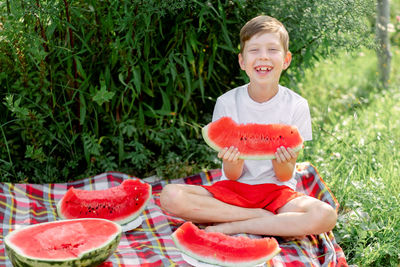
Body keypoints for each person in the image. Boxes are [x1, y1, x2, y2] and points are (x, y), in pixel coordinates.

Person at [160, 15, 337, 237]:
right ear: (242, 61)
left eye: (272, 49)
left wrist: (280, 162)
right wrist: (233, 162)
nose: (263, 56)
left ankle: (236, 224)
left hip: (277, 194)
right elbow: (232, 175)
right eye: (254, 50)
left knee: (325, 215)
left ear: (286, 59)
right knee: (170, 196)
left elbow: (284, 175)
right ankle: (262, 220)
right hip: (232, 190)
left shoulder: (297, 105)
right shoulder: (226, 102)